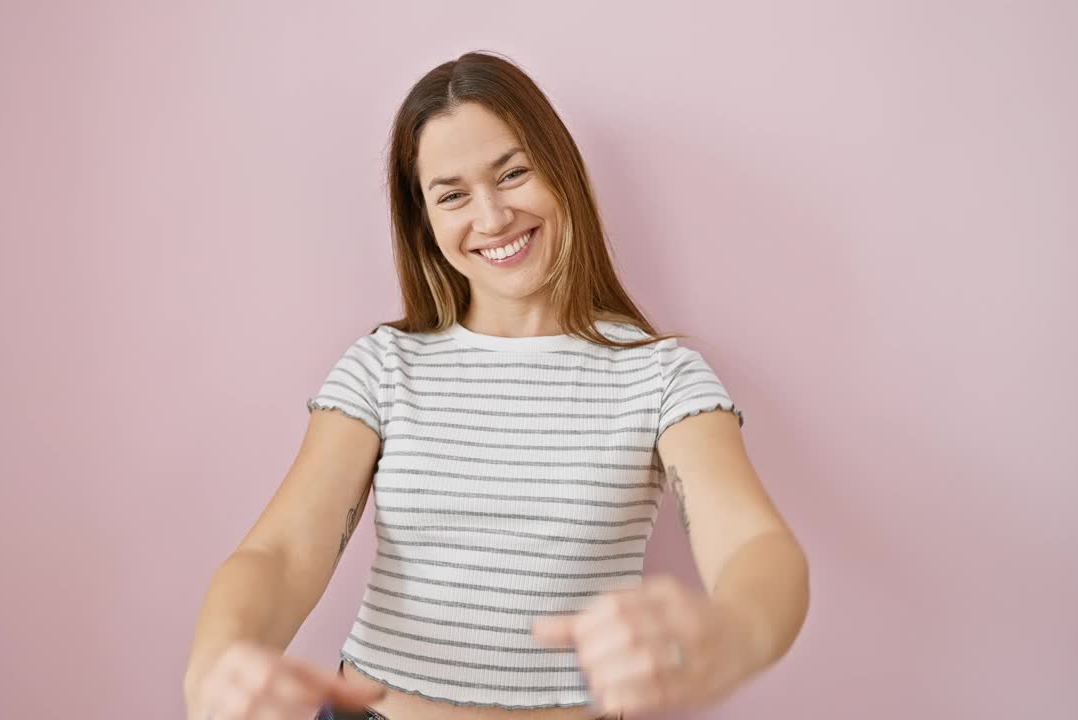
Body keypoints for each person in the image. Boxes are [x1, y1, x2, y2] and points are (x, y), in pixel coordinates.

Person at [184, 50, 810, 720]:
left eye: (513, 174)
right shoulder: (384, 366)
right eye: (452, 194)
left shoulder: (660, 376)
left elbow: (753, 543)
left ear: (559, 172)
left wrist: (731, 635)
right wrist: (217, 665)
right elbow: (281, 553)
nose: (491, 217)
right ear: (425, 222)